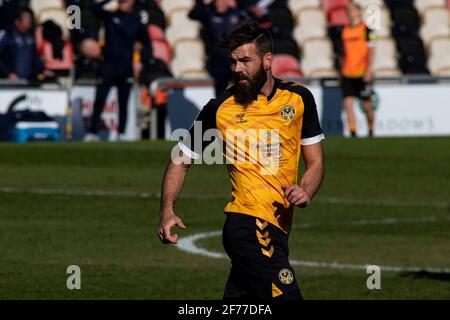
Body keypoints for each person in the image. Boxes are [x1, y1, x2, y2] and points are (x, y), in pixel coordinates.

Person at [157, 21, 324, 300]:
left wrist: (306, 189)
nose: (237, 69)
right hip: (248, 225)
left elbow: (316, 163)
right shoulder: (219, 108)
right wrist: (167, 209)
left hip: (279, 228)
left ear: (268, 60)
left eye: (245, 60)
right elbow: (180, 160)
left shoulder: (299, 99)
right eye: (233, 62)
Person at [84, 0, 154, 142]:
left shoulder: (136, 21)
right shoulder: (110, 16)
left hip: (126, 66)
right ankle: (92, 132)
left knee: (123, 102)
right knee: (100, 99)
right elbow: (92, 7)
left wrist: (141, 62)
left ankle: (121, 133)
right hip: (108, 65)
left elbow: (147, 45)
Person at [189, 0, 249, 97]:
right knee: (220, 92)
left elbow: (251, 28)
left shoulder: (236, 14)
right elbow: (193, 15)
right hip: (217, 60)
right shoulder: (208, 14)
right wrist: (203, 3)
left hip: (236, 59)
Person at [338, 1, 376, 137]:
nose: (350, 13)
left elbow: (371, 51)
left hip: (362, 72)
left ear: (359, 12)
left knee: (366, 105)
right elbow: (342, 53)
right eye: (348, 11)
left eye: (353, 10)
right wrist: (340, 71)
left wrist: (369, 70)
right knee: (348, 104)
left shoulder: (367, 30)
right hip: (347, 73)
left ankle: (371, 128)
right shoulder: (344, 30)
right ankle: (353, 133)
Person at [0, 7, 45, 82]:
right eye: (26, 22)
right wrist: (8, 73)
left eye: (29, 22)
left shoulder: (31, 36)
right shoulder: (8, 37)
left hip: (29, 81)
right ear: (17, 22)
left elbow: (34, 57)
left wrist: (42, 69)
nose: (28, 25)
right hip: (11, 83)